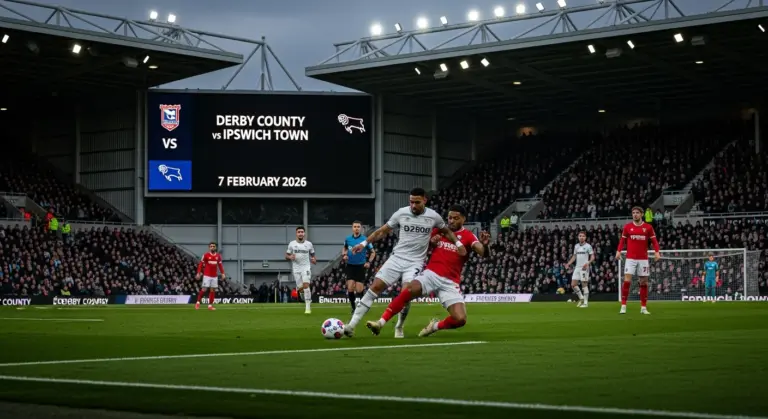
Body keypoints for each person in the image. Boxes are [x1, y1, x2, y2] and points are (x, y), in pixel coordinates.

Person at [344, 187, 466, 338]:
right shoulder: (401, 213)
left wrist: (458, 244)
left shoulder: (433, 216)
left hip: (415, 263)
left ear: (425, 200)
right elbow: (382, 231)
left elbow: (447, 231)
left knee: (406, 293)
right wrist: (363, 244)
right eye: (411, 202)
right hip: (397, 258)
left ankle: (399, 326)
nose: (413, 205)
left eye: (417, 202)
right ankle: (351, 325)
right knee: (375, 287)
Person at [366, 204, 490, 337]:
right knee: (408, 291)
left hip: (450, 282)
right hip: (431, 274)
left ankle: (434, 326)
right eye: (449, 218)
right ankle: (380, 323)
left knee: (460, 319)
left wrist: (485, 245)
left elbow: (483, 253)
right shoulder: (439, 231)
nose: (451, 221)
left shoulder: (468, 236)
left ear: (464, 219)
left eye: (456, 218)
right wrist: (431, 243)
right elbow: (421, 246)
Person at [616, 206, 661, 315]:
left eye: (637, 213)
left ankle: (643, 307)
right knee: (627, 280)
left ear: (641, 214)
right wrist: (618, 251)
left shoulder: (648, 227)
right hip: (630, 258)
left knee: (644, 282)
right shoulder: (627, 227)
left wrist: (657, 252)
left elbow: (654, 241)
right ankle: (623, 306)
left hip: (643, 259)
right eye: (633, 213)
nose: (635, 214)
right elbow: (622, 240)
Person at [342, 221, 376, 313]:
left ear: (361, 228)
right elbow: (345, 248)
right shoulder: (348, 239)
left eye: (358, 227)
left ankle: (363, 305)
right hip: (350, 266)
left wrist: (369, 262)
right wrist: (344, 255)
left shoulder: (365, 240)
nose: (356, 228)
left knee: (359, 289)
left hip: (361, 266)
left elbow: (373, 252)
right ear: (352, 228)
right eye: (355, 226)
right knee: (350, 288)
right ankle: (353, 308)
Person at [286, 226, 316, 314]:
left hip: (306, 267)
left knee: (306, 285)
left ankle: (308, 307)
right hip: (296, 268)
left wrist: (314, 259)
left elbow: (313, 255)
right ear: (296, 233)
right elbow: (286, 255)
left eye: (302, 232)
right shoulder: (291, 244)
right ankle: (305, 296)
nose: (300, 233)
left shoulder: (309, 244)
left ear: (304, 233)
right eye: (299, 232)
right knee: (300, 288)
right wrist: (290, 257)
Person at [564, 230, 594, 308]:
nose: (581, 237)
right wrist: (568, 264)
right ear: (578, 237)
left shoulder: (588, 246)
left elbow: (592, 257)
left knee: (584, 285)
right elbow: (574, 256)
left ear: (585, 237)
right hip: (577, 267)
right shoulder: (576, 246)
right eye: (580, 236)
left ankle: (586, 303)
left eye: (583, 236)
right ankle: (581, 298)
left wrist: (588, 263)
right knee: (573, 285)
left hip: (584, 267)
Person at [195, 242, 225, 311]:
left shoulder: (218, 256)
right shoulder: (205, 255)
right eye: (211, 246)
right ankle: (198, 302)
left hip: (214, 276)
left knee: (212, 290)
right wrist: (198, 273)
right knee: (204, 289)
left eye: (213, 246)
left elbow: (220, 265)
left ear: (215, 247)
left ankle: (210, 306)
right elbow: (200, 264)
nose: (212, 247)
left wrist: (223, 273)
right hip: (207, 276)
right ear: (209, 247)